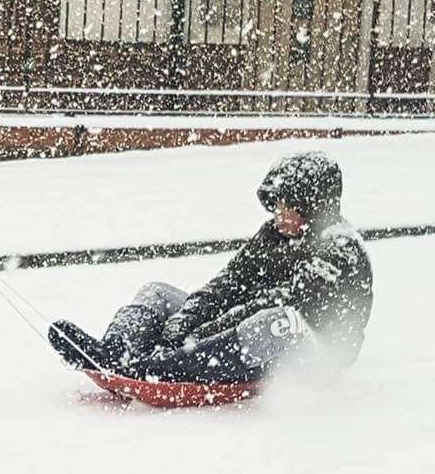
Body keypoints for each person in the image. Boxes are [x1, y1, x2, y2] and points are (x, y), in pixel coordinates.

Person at [48, 151, 373, 387]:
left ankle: (166, 368)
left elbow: (279, 304)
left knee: (277, 321)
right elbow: (229, 282)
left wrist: (198, 337)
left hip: (314, 356)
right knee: (158, 292)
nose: (277, 214)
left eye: (285, 206)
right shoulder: (272, 235)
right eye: (274, 206)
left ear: (311, 206)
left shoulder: (338, 249)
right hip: (239, 337)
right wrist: (182, 322)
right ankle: (117, 350)